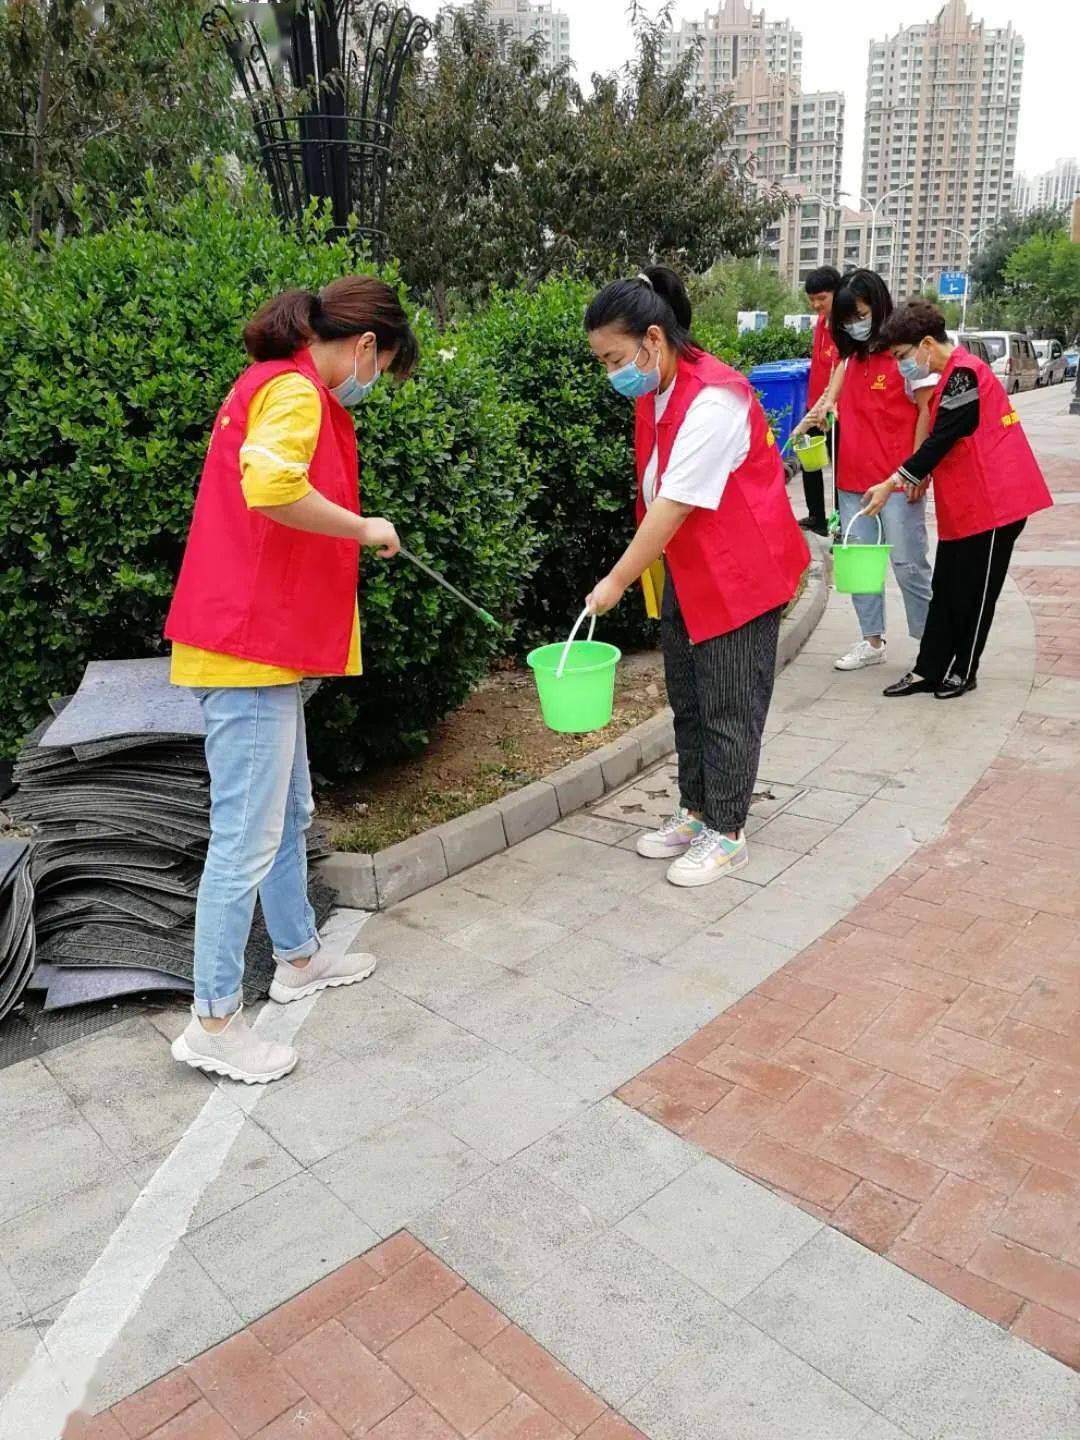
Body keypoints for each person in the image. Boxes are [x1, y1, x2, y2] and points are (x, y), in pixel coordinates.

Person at [165, 278, 418, 1083]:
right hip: (246, 649)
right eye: (385, 370)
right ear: (367, 347)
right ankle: (212, 1021)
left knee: (287, 811)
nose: (374, 385)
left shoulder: (276, 383)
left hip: (261, 648)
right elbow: (269, 487)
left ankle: (299, 956)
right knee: (243, 837)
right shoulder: (297, 392)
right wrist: (365, 526)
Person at [583, 267, 809, 888]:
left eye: (614, 358)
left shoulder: (713, 398)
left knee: (729, 704)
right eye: (601, 362)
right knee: (687, 695)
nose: (611, 374)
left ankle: (728, 831)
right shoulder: (660, 387)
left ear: (653, 340)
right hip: (694, 567)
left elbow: (675, 504)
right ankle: (696, 810)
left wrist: (618, 580)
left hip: (742, 573)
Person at [863, 299, 1052, 699]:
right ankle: (927, 669)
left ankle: (963, 670)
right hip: (967, 506)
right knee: (947, 588)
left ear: (927, 344)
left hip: (996, 505)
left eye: (902, 356)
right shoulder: (951, 375)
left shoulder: (965, 374)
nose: (902, 365)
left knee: (975, 594)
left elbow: (943, 437)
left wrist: (891, 482)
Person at [806, 269, 935, 673]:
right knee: (860, 565)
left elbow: (926, 411)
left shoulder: (904, 358)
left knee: (909, 565)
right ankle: (871, 640)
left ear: (878, 308)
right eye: (846, 320)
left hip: (896, 483)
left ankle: (931, 642)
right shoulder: (850, 359)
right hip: (852, 483)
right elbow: (829, 400)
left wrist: (917, 471)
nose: (855, 325)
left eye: (860, 315)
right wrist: (821, 413)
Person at [798, 266, 841, 536]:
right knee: (808, 461)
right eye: (812, 299)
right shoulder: (821, 323)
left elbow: (839, 372)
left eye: (822, 298)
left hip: (834, 409)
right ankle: (817, 517)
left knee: (839, 468)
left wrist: (827, 405)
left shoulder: (843, 327)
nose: (816, 304)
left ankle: (840, 522)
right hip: (813, 405)